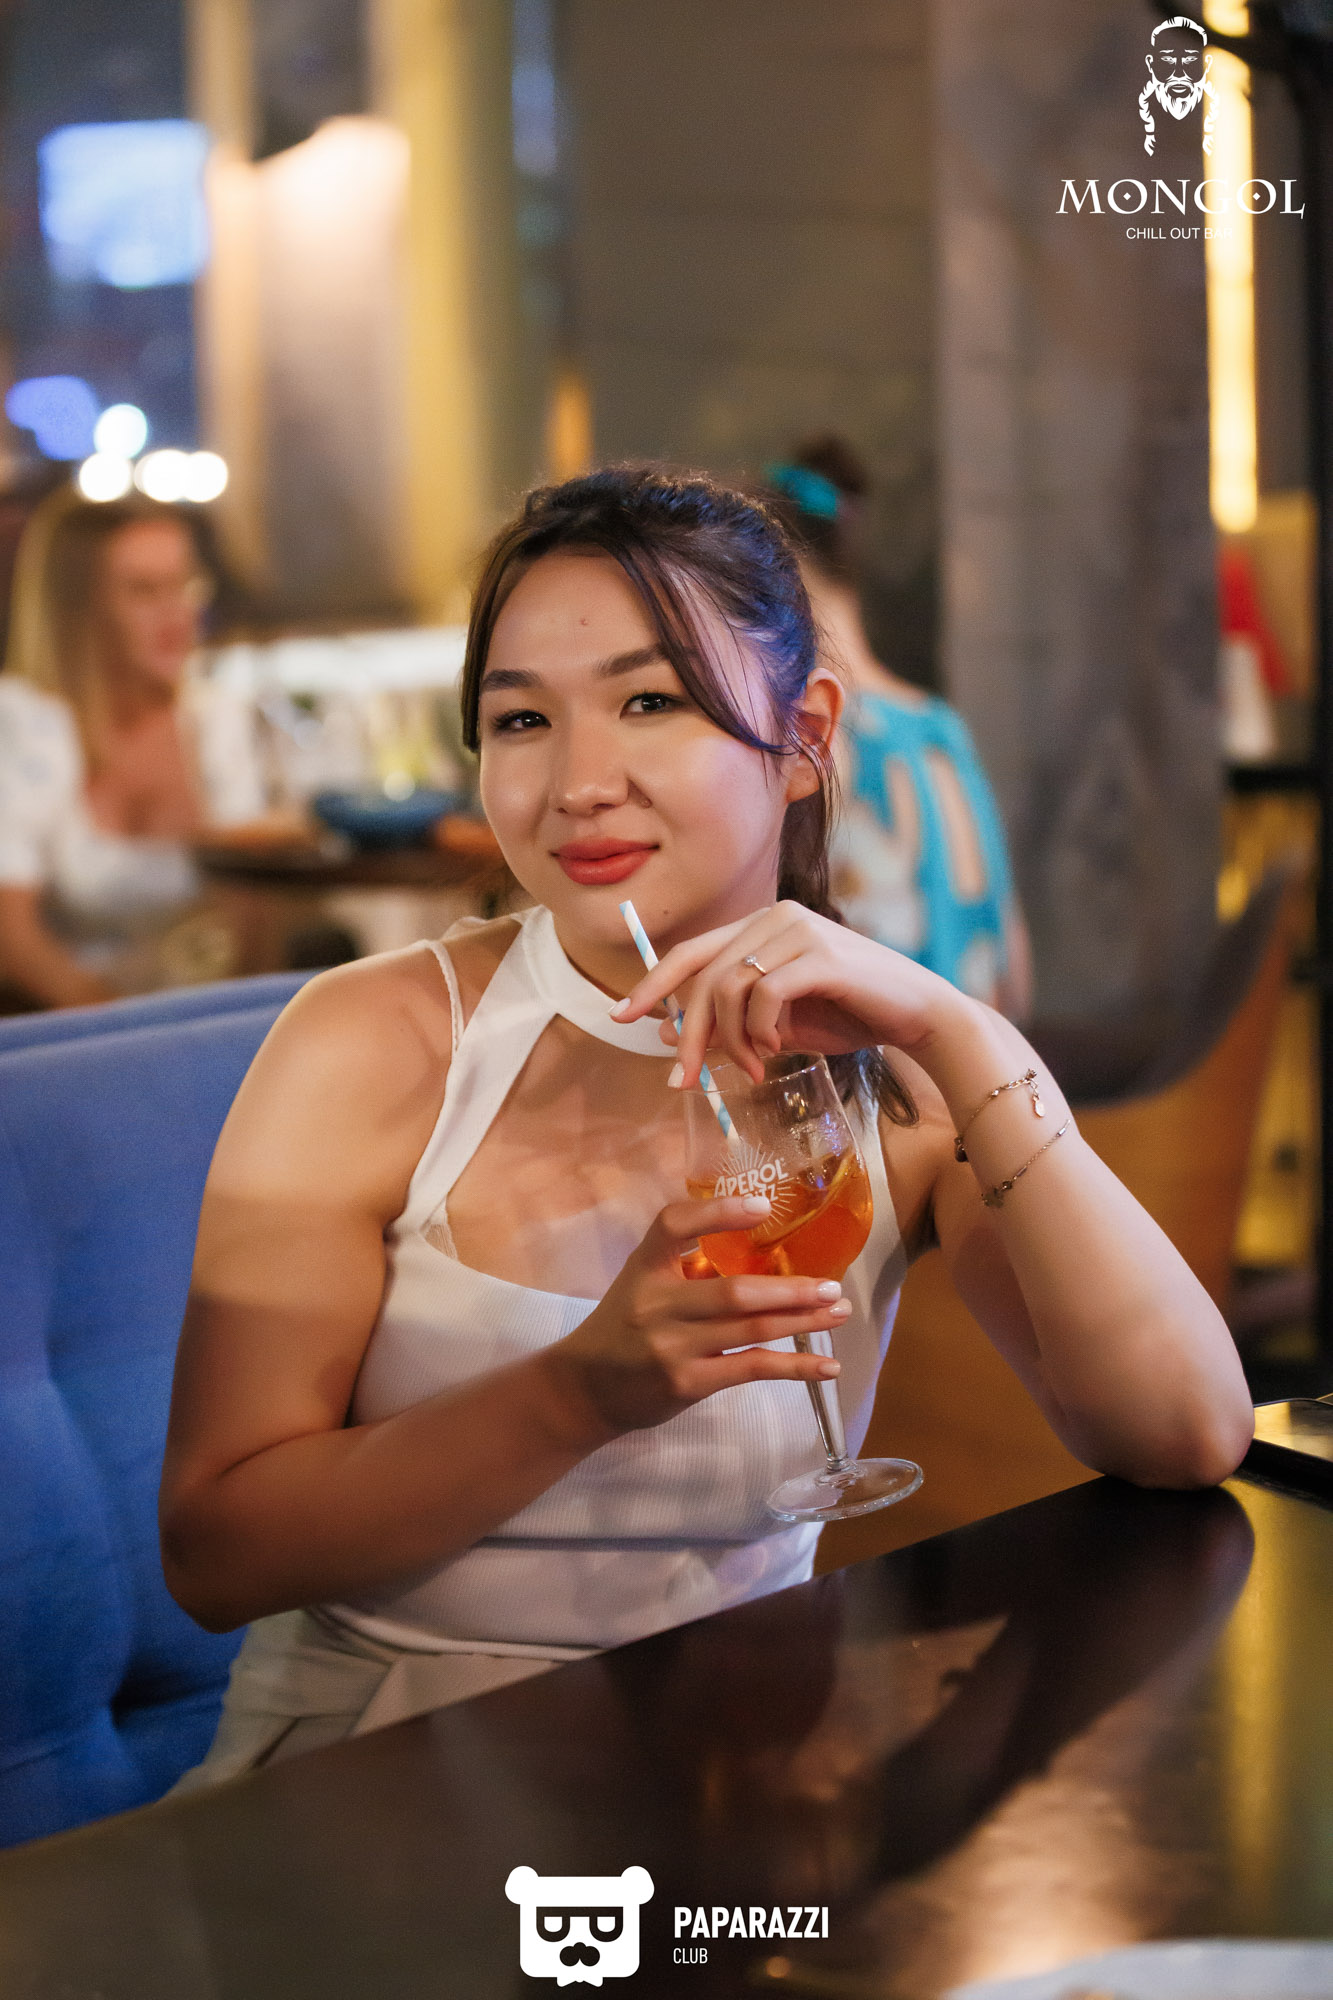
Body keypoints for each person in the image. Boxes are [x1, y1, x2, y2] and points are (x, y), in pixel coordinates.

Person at [160, 466, 1252, 1786]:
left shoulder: (888, 1072)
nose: (579, 783)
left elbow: (1185, 1431)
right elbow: (213, 1554)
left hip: (733, 1789)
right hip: (381, 1777)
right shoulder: (371, 1043)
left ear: (803, 736)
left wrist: (966, 1036)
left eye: (650, 701)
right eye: (521, 719)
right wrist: (577, 1392)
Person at [765, 439, 1033, 1019]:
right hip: (986, 1053)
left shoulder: (814, 733)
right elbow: (1013, 969)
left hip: (879, 1061)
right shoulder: (940, 728)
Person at [0, 488, 263, 1008]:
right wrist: (129, 1032)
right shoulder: (25, 720)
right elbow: (13, 938)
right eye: (144, 591)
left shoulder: (214, 718)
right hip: (74, 1022)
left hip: (205, 1008)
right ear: (78, 610)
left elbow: (256, 905)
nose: (177, 614)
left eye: (185, 585)